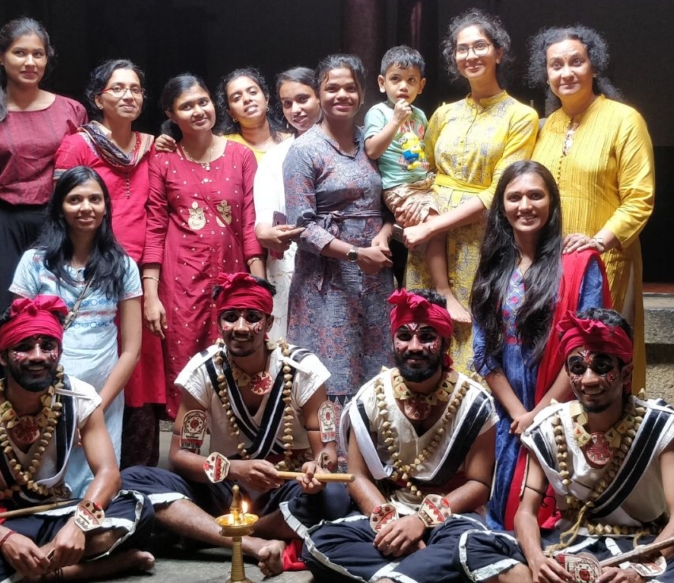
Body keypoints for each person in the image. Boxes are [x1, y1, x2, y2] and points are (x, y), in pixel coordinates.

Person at [458, 308, 674, 583]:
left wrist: (637, 571)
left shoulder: (660, 426)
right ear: (568, 373)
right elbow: (526, 511)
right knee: (474, 545)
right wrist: (537, 562)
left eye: (603, 366)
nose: (589, 379)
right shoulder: (549, 425)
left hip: (639, 543)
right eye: (578, 368)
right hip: (567, 543)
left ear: (626, 372)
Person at [121, 273, 348, 577]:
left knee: (335, 496)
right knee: (132, 479)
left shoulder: (303, 369)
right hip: (224, 486)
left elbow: (327, 453)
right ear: (219, 323)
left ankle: (205, 530)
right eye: (230, 317)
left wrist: (317, 471)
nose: (240, 328)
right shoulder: (202, 372)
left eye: (252, 317)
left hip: (285, 487)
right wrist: (235, 469)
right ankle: (253, 543)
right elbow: (180, 456)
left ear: (268, 324)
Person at [0, 296, 154, 583]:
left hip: (55, 513)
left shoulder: (80, 399)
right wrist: (6, 539)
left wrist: (79, 525)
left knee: (137, 506)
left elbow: (108, 473)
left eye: (47, 346)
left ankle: (31, 571)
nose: (38, 356)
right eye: (23, 347)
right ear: (2, 356)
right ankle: (86, 569)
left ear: (60, 351)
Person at [302, 289, 498, 583]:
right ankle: (421, 568)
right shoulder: (371, 397)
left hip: (450, 517)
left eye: (427, 336)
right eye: (404, 336)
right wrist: (393, 525)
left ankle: (395, 575)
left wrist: (421, 520)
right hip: (389, 513)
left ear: (445, 343)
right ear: (393, 340)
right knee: (318, 543)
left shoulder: (475, 402)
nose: (414, 346)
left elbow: (479, 484)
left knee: (472, 545)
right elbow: (358, 476)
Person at [0, 17, 86, 402]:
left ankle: (53, 425)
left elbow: (92, 176)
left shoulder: (72, 111)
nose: (29, 62)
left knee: (54, 325)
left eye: (37, 54)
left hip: (53, 229)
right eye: (19, 53)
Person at [471, 160, 609, 531]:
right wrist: (520, 415)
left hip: (565, 401)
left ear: (552, 202)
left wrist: (541, 413)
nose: (525, 205)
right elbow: (484, 353)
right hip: (510, 410)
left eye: (536, 195)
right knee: (505, 513)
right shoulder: (493, 267)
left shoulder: (578, 263)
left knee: (562, 518)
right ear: (501, 206)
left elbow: (586, 352)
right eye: (514, 197)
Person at [402, 9, 539, 375]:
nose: (471, 55)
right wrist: (412, 206)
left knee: (474, 329)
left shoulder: (520, 116)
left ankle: (475, 423)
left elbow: (500, 189)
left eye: (480, 46)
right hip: (428, 236)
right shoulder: (444, 114)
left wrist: (433, 227)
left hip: (479, 237)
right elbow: (422, 168)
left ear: (499, 51)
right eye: (462, 49)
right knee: (421, 325)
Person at [528, 25, 655, 393]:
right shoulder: (546, 127)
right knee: (556, 359)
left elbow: (640, 197)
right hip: (552, 266)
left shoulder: (624, 120)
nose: (566, 72)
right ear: (547, 74)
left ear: (594, 67)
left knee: (602, 359)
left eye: (576, 62)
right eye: (556, 65)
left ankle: (611, 445)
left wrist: (597, 243)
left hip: (606, 261)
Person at [55, 59, 165, 469]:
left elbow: (157, 218)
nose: (128, 95)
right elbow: (62, 211)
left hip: (140, 276)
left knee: (141, 367)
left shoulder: (152, 147)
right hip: (93, 273)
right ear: (98, 97)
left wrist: (151, 282)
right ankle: (85, 464)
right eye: (117, 88)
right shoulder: (77, 146)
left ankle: (139, 472)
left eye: (135, 89)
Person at [10, 167, 142, 496]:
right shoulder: (34, 262)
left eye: (95, 199)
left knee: (97, 482)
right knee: (43, 479)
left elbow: (132, 349)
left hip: (102, 391)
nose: (86, 207)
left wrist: (96, 406)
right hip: (45, 390)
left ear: (106, 206)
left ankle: (91, 537)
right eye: (75, 199)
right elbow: (17, 338)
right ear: (60, 207)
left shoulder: (123, 265)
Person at [142, 74, 264, 419]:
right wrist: (151, 295)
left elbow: (250, 226)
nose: (198, 111)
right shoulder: (163, 159)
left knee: (236, 363)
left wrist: (258, 287)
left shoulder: (241, 156)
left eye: (203, 101)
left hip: (232, 278)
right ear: (171, 113)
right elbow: (154, 228)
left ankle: (233, 458)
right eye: (186, 106)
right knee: (186, 371)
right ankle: (188, 461)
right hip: (180, 283)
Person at [284, 54, 395, 406]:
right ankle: (333, 458)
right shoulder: (304, 150)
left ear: (362, 94)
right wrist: (353, 253)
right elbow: (302, 227)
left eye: (350, 88)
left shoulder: (372, 142)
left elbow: (389, 199)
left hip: (375, 275)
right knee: (333, 372)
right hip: (327, 280)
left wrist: (386, 231)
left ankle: (371, 458)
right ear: (319, 94)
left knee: (377, 368)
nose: (341, 95)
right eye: (332, 88)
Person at [363, 45, 465, 323]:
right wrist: (395, 121)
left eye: (411, 80)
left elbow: (423, 153)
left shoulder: (420, 115)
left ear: (421, 85)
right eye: (396, 79)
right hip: (399, 189)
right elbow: (372, 150)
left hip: (423, 184)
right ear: (382, 83)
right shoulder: (379, 113)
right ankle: (444, 291)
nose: (403, 86)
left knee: (451, 216)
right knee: (434, 223)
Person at [253, 67, 318, 327]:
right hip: (290, 266)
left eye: (303, 99)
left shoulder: (355, 146)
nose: (295, 110)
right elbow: (264, 217)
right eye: (287, 103)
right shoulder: (275, 157)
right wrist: (265, 232)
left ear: (321, 96)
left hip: (345, 263)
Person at [217, 67, 294, 161]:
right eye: (237, 98)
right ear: (231, 113)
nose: (247, 99)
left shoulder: (290, 141)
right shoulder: (222, 146)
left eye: (253, 92)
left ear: (266, 99)